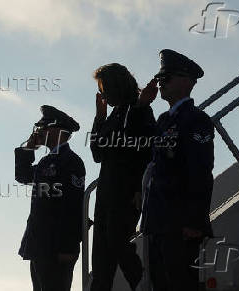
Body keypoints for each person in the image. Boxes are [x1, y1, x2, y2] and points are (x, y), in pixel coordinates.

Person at [138, 49, 215, 291]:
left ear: (186, 81)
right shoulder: (163, 120)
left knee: (182, 284)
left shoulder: (196, 120)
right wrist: (141, 106)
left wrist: (194, 221)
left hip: (181, 224)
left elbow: (200, 172)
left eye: (166, 79)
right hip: (159, 222)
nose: (161, 84)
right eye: (160, 79)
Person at [89, 63, 156, 291]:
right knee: (100, 262)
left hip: (126, 194)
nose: (102, 93)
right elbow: (97, 154)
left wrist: (140, 188)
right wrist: (99, 118)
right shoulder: (113, 116)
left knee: (120, 244)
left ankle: (143, 285)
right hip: (106, 196)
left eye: (105, 87)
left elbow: (146, 151)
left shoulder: (140, 109)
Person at [15, 105, 86, 291]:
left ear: (57, 130)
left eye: (44, 127)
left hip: (56, 246)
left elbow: (72, 206)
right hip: (40, 244)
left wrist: (67, 247)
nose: (39, 132)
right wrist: (29, 149)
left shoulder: (71, 161)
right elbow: (23, 176)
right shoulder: (46, 161)